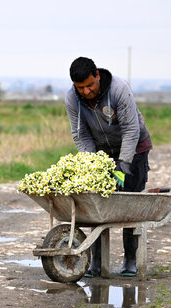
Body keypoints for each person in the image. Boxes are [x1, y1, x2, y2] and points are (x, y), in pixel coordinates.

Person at [64, 56, 153, 277]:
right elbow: (80, 134)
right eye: (80, 88)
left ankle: (130, 260)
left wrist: (122, 166)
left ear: (96, 76)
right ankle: (97, 263)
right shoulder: (72, 99)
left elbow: (131, 130)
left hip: (135, 148)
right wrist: (93, 165)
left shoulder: (118, 89)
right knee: (98, 205)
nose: (85, 92)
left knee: (129, 206)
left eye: (89, 85)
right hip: (103, 151)